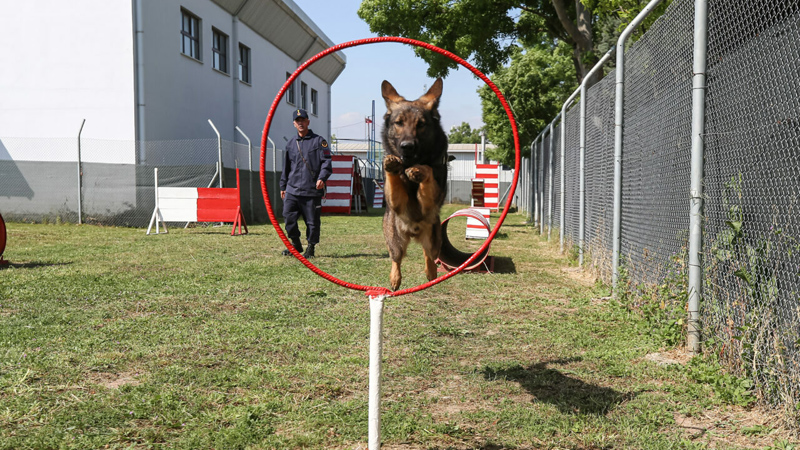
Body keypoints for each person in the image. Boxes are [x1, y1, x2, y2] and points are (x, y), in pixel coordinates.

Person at [280, 109, 332, 258]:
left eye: (303, 120)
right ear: (294, 124)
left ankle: (311, 247)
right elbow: (286, 167)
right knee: (288, 217)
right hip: (292, 189)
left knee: (312, 222)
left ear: (308, 122)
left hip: (311, 190)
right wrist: (283, 186)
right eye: (297, 121)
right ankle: (295, 243)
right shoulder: (291, 144)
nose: (300, 123)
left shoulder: (318, 141)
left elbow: (327, 162)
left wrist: (322, 177)